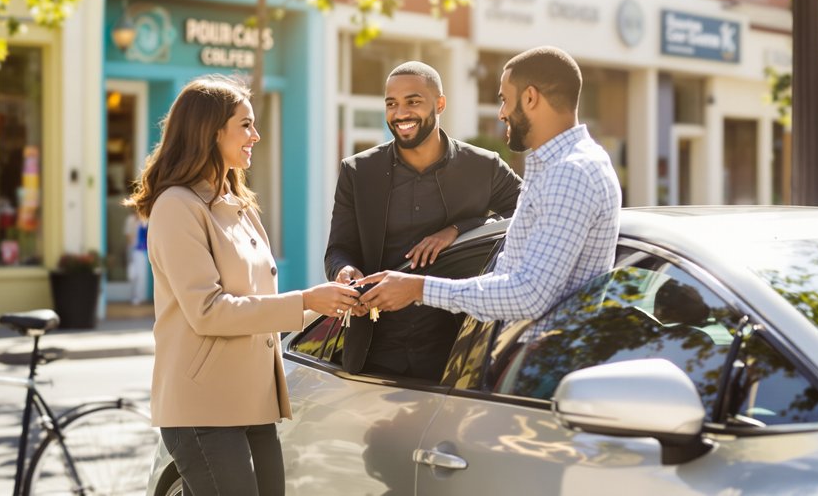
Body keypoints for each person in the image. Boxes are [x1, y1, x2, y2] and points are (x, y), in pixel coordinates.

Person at [125, 76, 360, 496]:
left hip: (252, 401)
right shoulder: (177, 206)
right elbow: (209, 310)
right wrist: (306, 299)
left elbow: (262, 306)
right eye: (246, 125)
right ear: (211, 132)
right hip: (202, 409)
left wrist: (328, 300)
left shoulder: (239, 205)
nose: (257, 135)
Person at [356, 46, 621, 323]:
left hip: (544, 361)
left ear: (530, 97)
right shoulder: (562, 166)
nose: (501, 113)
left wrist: (418, 288)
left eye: (505, 100)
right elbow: (513, 280)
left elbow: (528, 294)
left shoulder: (570, 174)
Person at [325, 61, 522, 380]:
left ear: (440, 103)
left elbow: (531, 214)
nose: (400, 113)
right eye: (392, 103)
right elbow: (339, 249)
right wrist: (343, 272)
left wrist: (458, 230)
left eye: (413, 101)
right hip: (375, 356)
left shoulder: (482, 167)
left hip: (460, 356)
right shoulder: (358, 172)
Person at [123, 212, 149, 305]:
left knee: (142, 275)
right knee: (134, 275)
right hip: (134, 251)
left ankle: (140, 297)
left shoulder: (145, 220)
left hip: (143, 251)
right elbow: (128, 235)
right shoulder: (131, 220)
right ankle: (134, 297)